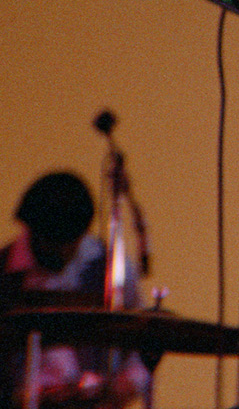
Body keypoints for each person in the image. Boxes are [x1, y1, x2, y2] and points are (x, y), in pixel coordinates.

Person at [0, 171, 149, 409]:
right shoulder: (5, 271)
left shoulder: (109, 269)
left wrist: (127, 384)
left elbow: (142, 342)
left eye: (68, 243)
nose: (60, 252)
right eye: (51, 243)